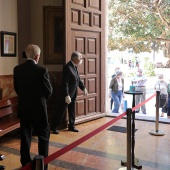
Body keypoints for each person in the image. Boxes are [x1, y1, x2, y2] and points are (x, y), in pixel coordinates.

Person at [13, 44, 53, 170]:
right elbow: (48, 91)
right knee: (43, 136)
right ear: (37, 56)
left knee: (25, 136)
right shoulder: (42, 70)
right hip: (39, 110)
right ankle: (42, 164)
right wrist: (41, 101)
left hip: (24, 108)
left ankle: (25, 162)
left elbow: (17, 88)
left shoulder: (17, 69)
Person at [52, 51, 88, 134]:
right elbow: (65, 83)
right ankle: (54, 127)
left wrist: (83, 88)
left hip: (73, 93)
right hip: (66, 94)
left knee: (72, 110)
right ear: (76, 59)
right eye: (81, 58)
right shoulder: (67, 67)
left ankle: (72, 125)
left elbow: (78, 79)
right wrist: (66, 95)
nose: (81, 60)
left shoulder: (75, 66)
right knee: (61, 111)